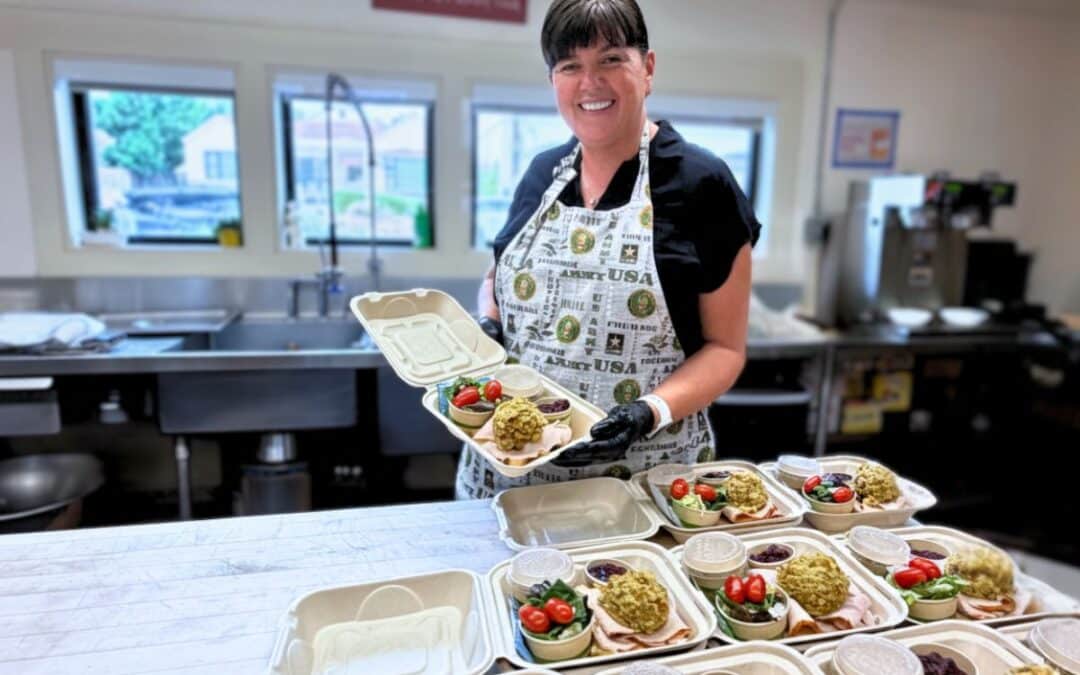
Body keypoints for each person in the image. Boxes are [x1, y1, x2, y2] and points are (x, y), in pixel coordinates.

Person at [456, 0, 759, 499]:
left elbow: (724, 348)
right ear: (554, 81)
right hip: (508, 482)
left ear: (648, 68)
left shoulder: (702, 184)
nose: (589, 82)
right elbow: (498, 278)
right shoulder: (541, 174)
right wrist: (488, 323)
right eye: (570, 66)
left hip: (639, 483)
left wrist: (647, 413)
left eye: (611, 60)